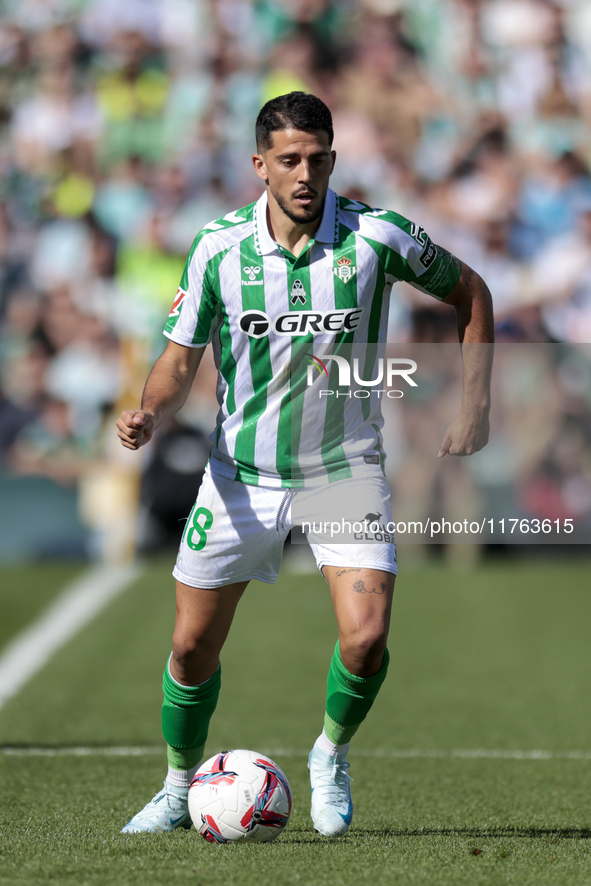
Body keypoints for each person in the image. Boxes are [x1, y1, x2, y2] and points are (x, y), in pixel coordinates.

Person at [116, 92, 494, 837]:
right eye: (288, 160)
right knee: (191, 648)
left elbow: (470, 292)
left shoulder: (376, 235)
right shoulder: (218, 247)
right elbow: (178, 356)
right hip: (240, 477)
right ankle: (176, 783)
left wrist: (473, 405)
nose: (304, 175)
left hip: (342, 470)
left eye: (317, 160)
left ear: (332, 160)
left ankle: (329, 755)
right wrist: (150, 411)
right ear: (259, 165)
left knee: (365, 636)